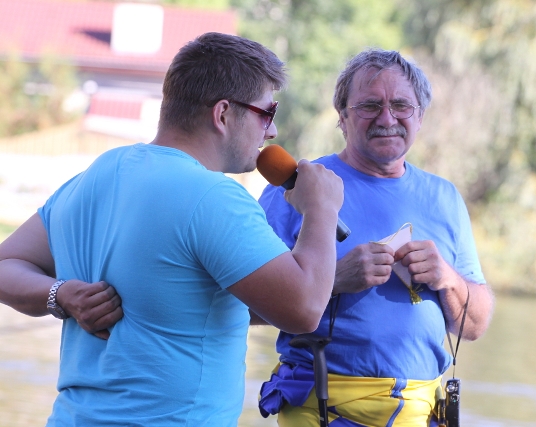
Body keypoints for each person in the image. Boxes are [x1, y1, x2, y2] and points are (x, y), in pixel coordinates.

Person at [0, 32, 344, 427]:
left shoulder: (95, 175)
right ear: (223, 114)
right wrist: (321, 208)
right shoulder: (214, 197)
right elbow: (304, 310)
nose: (272, 132)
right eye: (267, 113)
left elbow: (5, 264)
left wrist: (59, 294)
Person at [257, 48, 495, 426]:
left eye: (401, 105)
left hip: (421, 411)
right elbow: (240, 308)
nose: (387, 118)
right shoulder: (297, 187)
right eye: (369, 105)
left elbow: (475, 326)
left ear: (420, 116)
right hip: (322, 408)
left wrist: (448, 279)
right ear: (342, 117)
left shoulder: (445, 197)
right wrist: (332, 279)